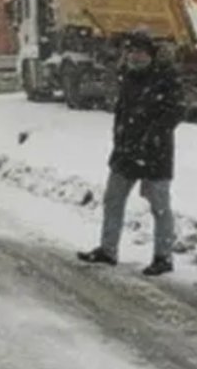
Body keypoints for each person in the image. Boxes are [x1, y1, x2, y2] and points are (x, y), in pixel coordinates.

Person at [78, 31, 184, 277]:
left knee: (159, 206)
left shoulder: (165, 79)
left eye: (140, 52)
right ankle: (108, 250)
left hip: (155, 153)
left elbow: (175, 111)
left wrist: (153, 136)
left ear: (151, 54)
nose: (135, 57)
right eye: (131, 52)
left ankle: (163, 257)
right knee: (113, 199)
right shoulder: (128, 76)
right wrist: (120, 140)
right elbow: (122, 112)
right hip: (126, 151)